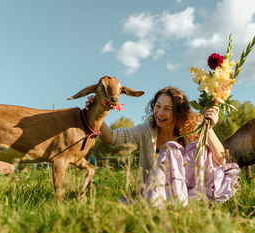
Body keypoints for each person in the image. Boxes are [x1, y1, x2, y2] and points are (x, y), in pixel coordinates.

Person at [90, 86, 240, 206]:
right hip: (160, 191)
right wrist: (98, 111)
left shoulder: (195, 125)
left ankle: (184, 201)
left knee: (172, 147)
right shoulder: (146, 131)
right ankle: (168, 202)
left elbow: (221, 160)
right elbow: (110, 138)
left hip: (197, 188)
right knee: (170, 148)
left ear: (178, 112)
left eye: (167, 109)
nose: (160, 113)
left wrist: (209, 128)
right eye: (157, 106)